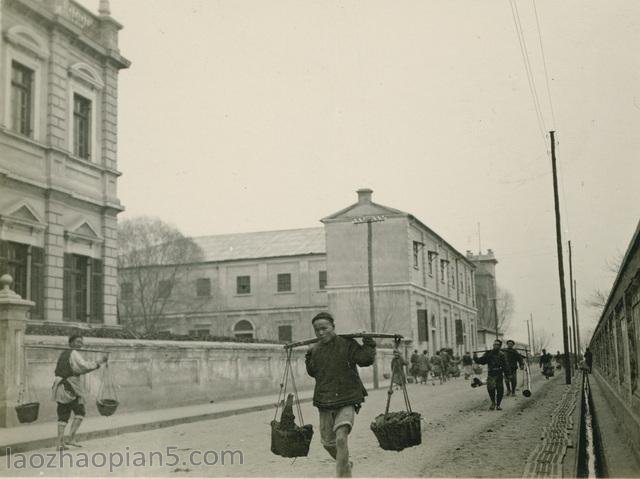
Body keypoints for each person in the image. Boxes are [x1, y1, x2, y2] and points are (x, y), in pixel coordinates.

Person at [305, 312, 376, 478]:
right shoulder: (316, 349)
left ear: (333, 327)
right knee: (328, 444)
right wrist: (308, 356)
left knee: (341, 439)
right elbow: (313, 372)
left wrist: (368, 342)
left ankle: (343, 476)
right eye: (317, 330)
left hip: (347, 397)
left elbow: (365, 359)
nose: (321, 333)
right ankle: (345, 463)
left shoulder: (347, 344)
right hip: (324, 400)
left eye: (324, 328)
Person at [52, 335, 108, 450]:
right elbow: (83, 367)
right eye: (77, 342)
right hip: (69, 387)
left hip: (60, 386)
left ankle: (60, 443)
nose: (80, 344)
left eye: (81, 342)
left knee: (63, 415)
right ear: (71, 343)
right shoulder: (73, 353)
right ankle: (70, 439)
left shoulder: (64, 353)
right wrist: (99, 362)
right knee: (80, 411)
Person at [473, 339, 508, 410]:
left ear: (500, 346)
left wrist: (507, 374)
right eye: (494, 344)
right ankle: (493, 403)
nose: (495, 346)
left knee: (500, 389)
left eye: (497, 344)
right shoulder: (489, 354)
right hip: (491, 374)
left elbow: (505, 365)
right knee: (491, 389)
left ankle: (498, 405)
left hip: (499, 373)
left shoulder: (502, 354)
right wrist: (475, 357)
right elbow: (481, 361)